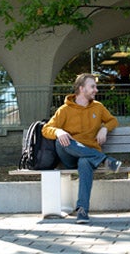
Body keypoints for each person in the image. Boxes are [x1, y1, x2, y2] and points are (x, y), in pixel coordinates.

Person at [42, 73, 122, 224]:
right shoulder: (65, 110)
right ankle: (104, 160)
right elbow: (46, 129)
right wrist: (58, 131)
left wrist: (104, 128)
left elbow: (113, 121)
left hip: (88, 156)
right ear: (81, 89)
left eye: (95, 87)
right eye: (92, 87)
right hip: (70, 156)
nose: (96, 90)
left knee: (85, 162)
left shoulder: (98, 107)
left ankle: (82, 210)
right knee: (61, 141)